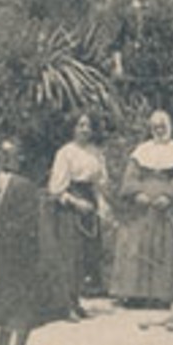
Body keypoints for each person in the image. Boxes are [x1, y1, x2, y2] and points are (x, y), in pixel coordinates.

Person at [0, 140, 67, 345]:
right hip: (0, 255)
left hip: (25, 254)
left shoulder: (22, 187)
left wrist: (3, 229)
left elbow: (30, 224)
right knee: (0, 300)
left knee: (23, 302)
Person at [109, 110, 173, 317]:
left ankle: (165, 294)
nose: (159, 130)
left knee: (166, 247)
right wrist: (137, 193)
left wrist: (170, 196)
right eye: (155, 126)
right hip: (143, 208)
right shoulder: (142, 151)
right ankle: (135, 294)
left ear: (169, 127)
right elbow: (131, 176)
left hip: (168, 208)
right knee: (138, 245)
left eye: (162, 126)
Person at [48, 113, 111, 317]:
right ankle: (65, 304)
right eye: (80, 125)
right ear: (72, 128)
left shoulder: (96, 153)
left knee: (86, 255)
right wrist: (76, 203)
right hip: (69, 205)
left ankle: (75, 301)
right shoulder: (65, 153)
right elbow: (56, 189)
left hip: (89, 201)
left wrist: (101, 205)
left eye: (88, 125)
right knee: (70, 256)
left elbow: (100, 183)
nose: (85, 129)